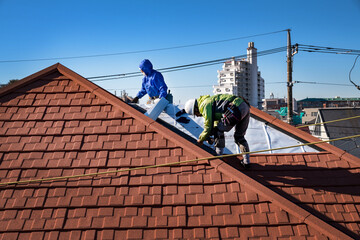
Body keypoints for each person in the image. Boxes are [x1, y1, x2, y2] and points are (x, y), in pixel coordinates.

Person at [184, 94, 251, 169]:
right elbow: (216, 122)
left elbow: (208, 126)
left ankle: (219, 156)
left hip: (235, 108)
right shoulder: (210, 101)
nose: (197, 116)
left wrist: (201, 139)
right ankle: (246, 162)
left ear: (196, 108)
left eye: (195, 114)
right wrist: (209, 136)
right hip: (244, 106)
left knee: (218, 130)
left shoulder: (204, 105)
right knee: (239, 136)